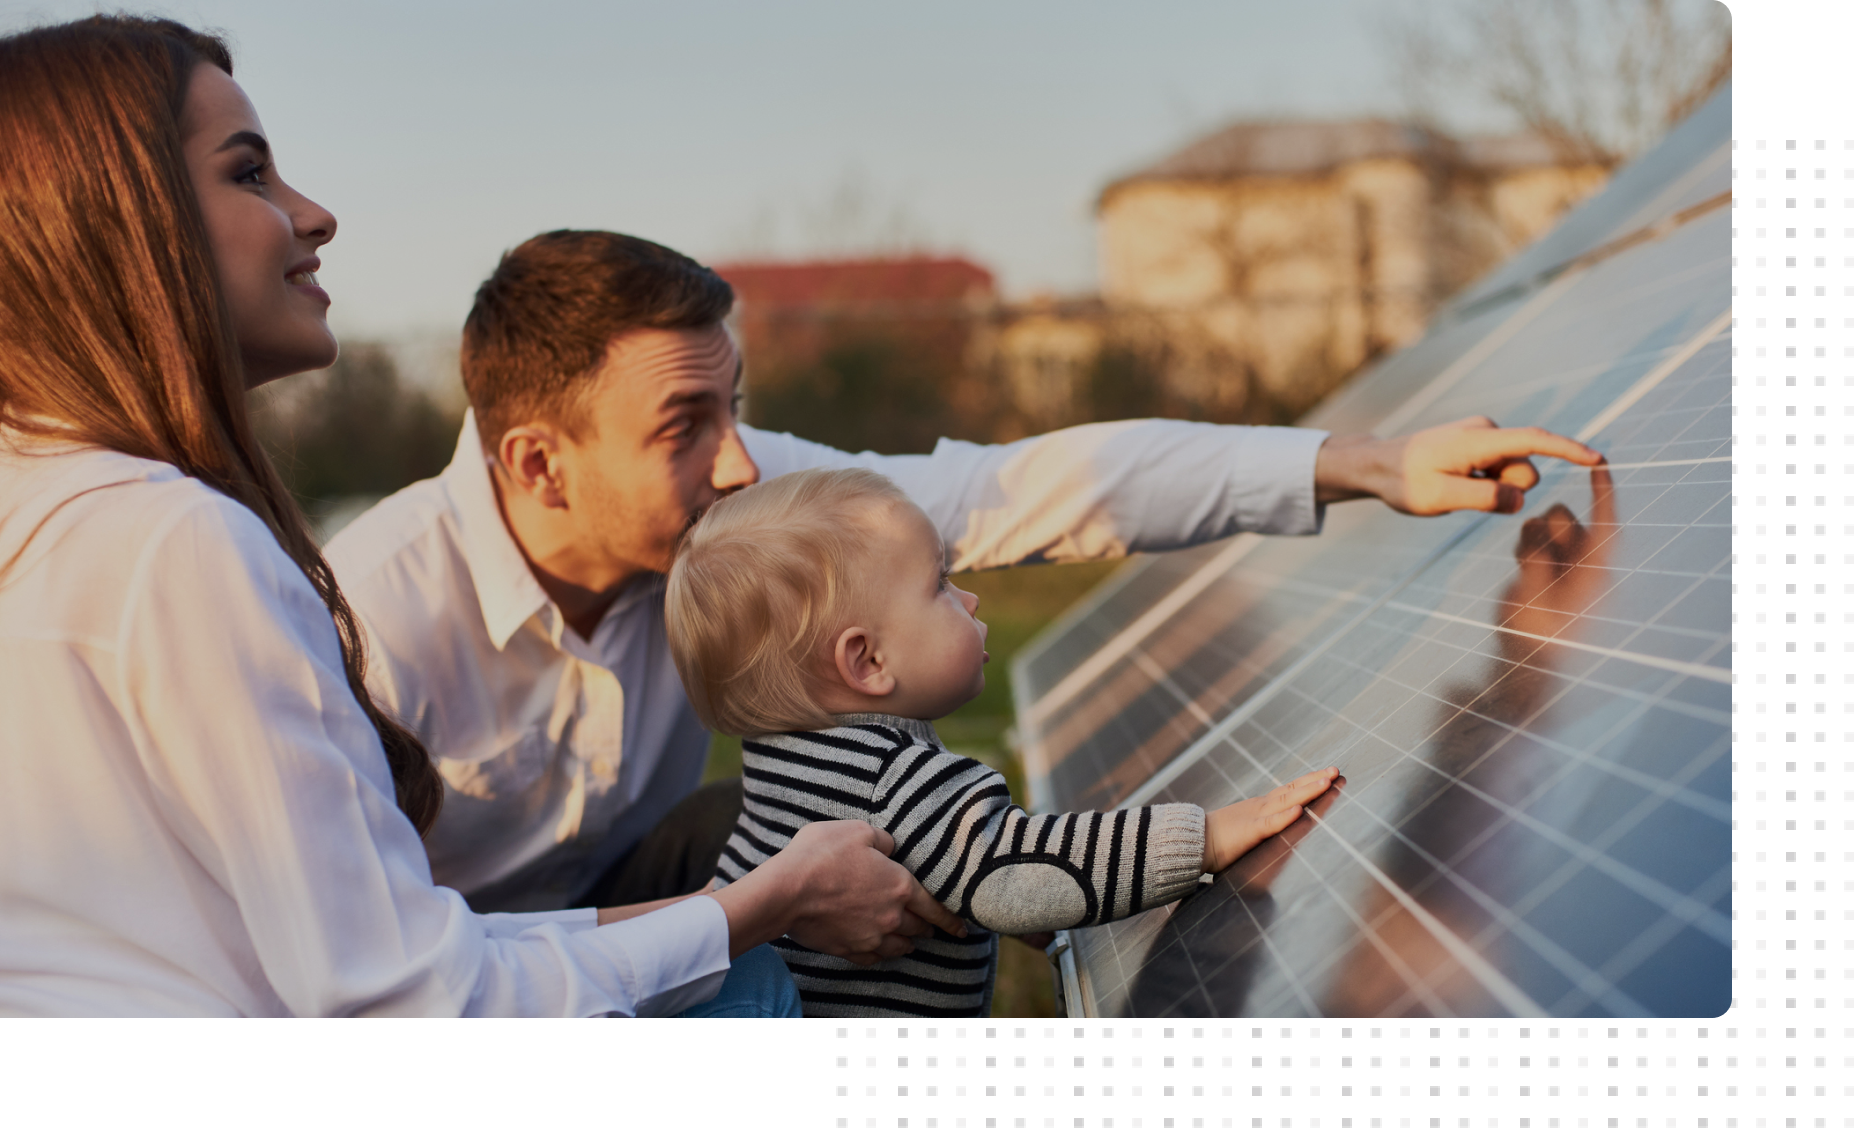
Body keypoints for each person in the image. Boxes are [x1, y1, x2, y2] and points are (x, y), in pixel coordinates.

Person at [0, 15, 959, 1017]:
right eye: (248, 175)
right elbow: (413, 994)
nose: (315, 215)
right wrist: (761, 908)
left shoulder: (47, 510)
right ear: (116, 227)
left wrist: (749, 902)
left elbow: (372, 956)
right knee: (762, 994)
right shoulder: (182, 548)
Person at [329, 230, 1602, 918]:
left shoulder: (737, 501)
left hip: (635, 902)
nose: (737, 470)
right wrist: (743, 919)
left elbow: (1014, 489)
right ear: (539, 465)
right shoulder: (368, 624)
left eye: (737, 409)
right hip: (448, 982)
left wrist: (1363, 461)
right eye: (682, 430)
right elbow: (354, 975)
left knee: (857, 825)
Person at [663, 466, 1341, 1015]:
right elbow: (1018, 869)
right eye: (940, 585)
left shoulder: (782, 761)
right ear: (867, 663)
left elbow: (957, 868)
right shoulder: (904, 785)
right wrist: (1208, 839)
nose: (971, 600)